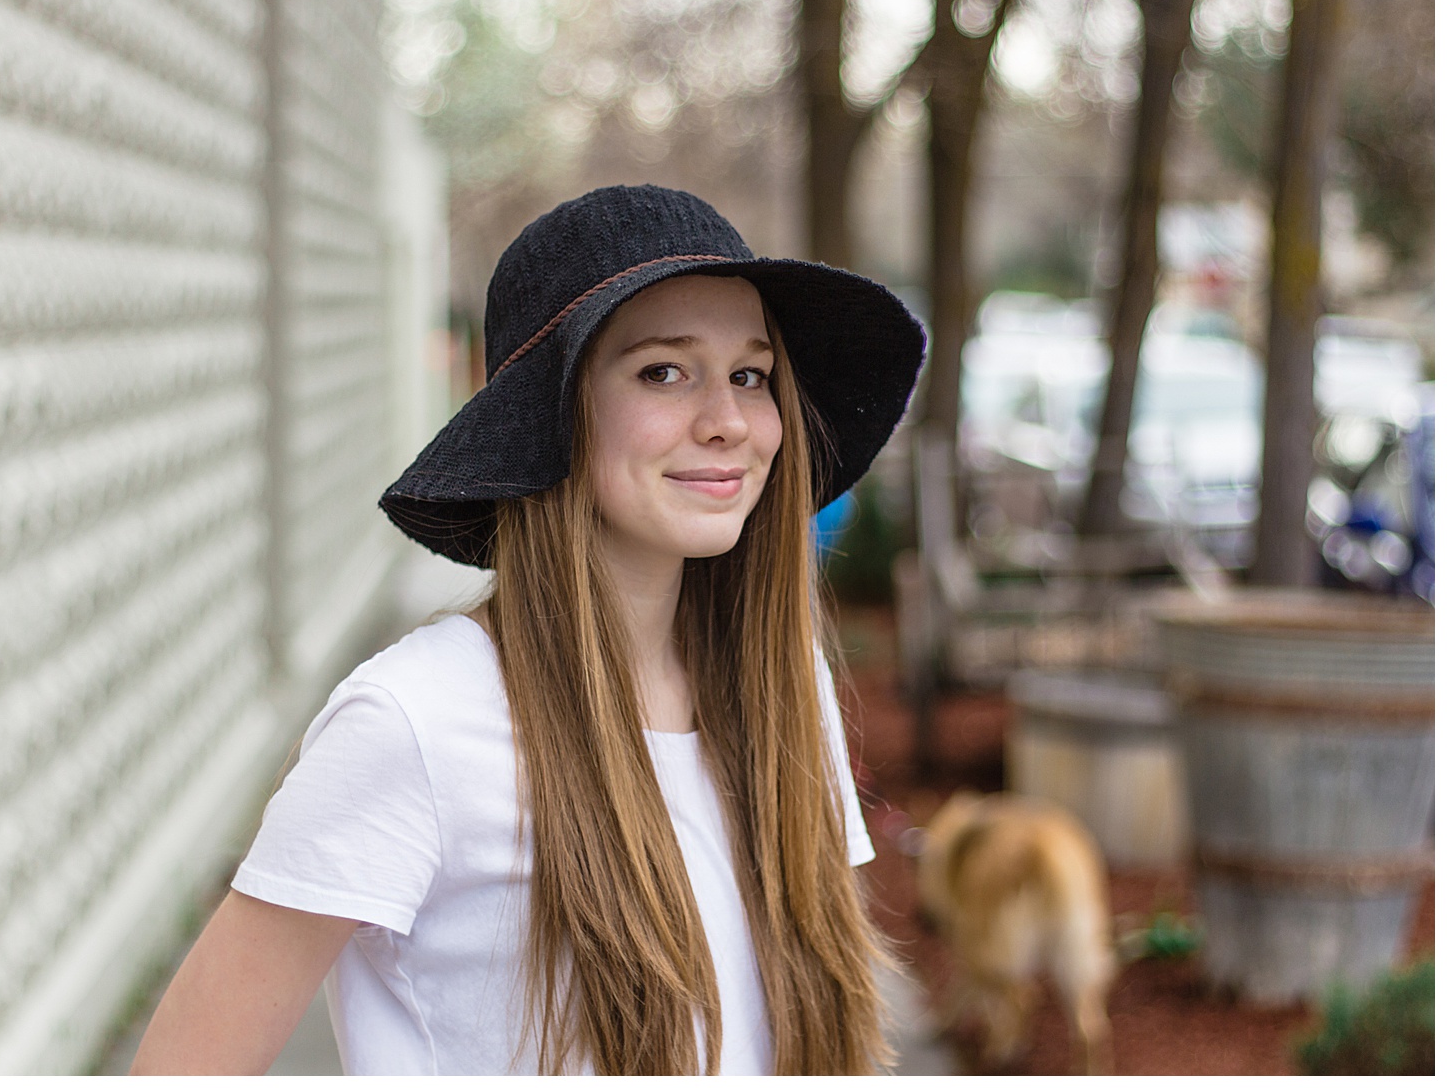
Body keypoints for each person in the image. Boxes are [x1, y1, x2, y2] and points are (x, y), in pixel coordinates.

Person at [131, 185, 926, 1075]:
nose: (729, 421)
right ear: (548, 419)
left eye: (751, 374)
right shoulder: (416, 722)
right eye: (664, 370)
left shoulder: (788, 688)